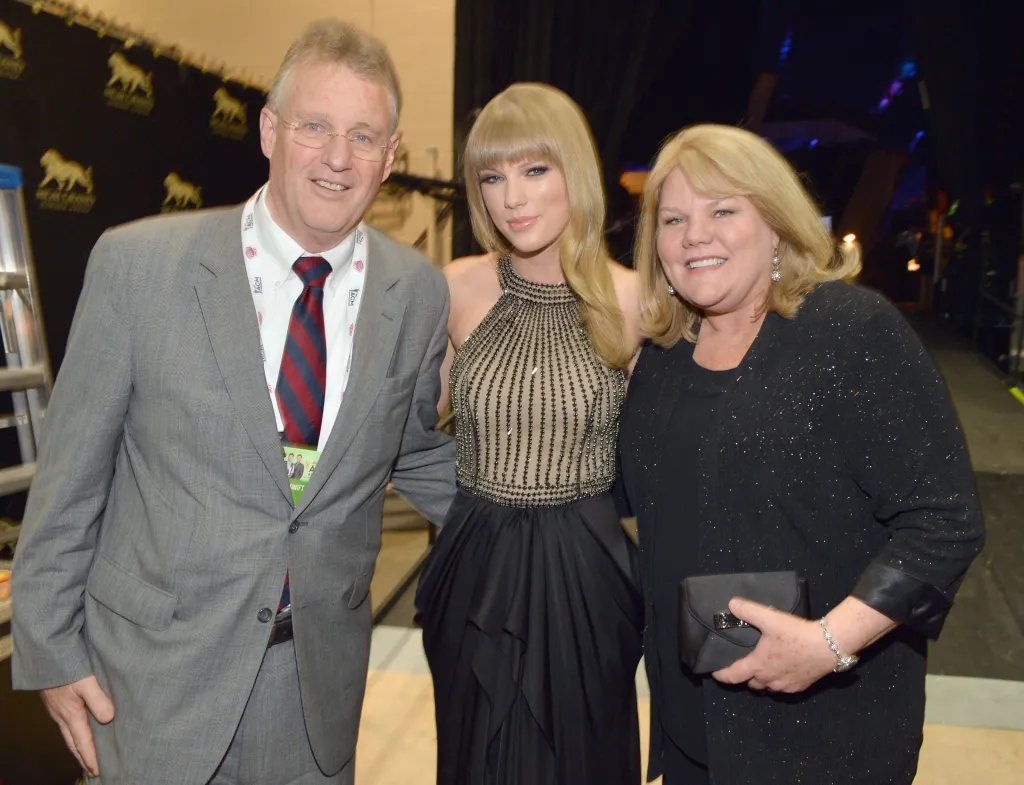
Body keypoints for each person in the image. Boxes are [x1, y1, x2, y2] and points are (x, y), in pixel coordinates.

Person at [11, 18, 455, 785]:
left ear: (390, 156)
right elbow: (70, 477)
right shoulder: (138, 266)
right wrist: (50, 652)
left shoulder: (415, 292)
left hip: (313, 697)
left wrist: (554, 515)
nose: (338, 157)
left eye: (363, 136)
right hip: (152, 687)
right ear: (270, 129)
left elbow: (410, 447)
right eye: (315, 127)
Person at [617, 123, 985, 784]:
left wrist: (829, 643)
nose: (694, 234)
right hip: (691, 729)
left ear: (777, 225)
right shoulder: (665, 358)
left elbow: (944, 520)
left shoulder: (849, 330)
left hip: (827, 735)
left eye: (722, 211)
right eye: (673, 219)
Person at [413, 83, 644, 784]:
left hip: (584, 574)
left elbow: (675, 455)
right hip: (473, 568)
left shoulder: (635, 299)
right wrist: (459, 506)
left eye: (534, 169)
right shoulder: (457, 287)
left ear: (576, 170)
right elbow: (400, 429)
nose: (511, 197)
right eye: (492, 176)